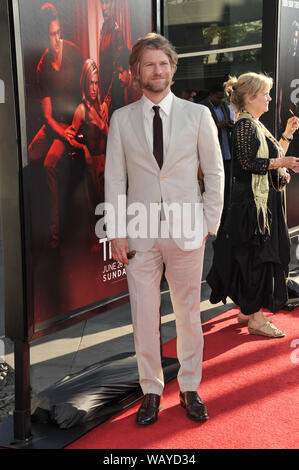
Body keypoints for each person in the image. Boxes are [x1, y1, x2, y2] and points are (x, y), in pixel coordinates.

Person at [105, 33, 224, 425]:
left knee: (189, 313)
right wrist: (116, 231)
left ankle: (190, 386)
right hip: (139, 233)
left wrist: (209, 222)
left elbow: (214, 172)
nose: (157, 71)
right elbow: (114, 179)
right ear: (136, 72)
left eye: (163, 64)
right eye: (148, 64)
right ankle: (151, 390)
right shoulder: (122, 119)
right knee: (143, 314)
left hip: (188, 231)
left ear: (172, 68)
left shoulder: (198, 115)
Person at [207, 72, 299, 337]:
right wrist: (282, 163)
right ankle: (256, 318)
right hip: (251, 207)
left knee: (252, 259)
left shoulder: (254, 124)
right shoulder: (245, 126)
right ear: (249, 98)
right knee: (256, 261)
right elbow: (248, 164)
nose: (270, 98)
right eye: (265, 94)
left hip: (259, 205)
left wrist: (287, 135)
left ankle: (248, 311)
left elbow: (271, 156)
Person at [28, 2, 83, 248]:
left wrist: (75, 127)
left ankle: (55, 232)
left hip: (74, 120)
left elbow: (87, 93)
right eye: (52, 34)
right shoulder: (42, 66)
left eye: (59, 32)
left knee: (50, 162)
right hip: (54, 124)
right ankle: (36, 215)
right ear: (45, 37)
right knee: (29, 154)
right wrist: (62, 133)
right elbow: (48, 116)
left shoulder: (72, 51)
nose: (58, 38)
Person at [66, 59, 108, 237]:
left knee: (109, 204)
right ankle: (95, 241)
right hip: (92, 164)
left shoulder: (103, 107)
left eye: (96, 83)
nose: (94, 88)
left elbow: (111, 135)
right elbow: (70, 136)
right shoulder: (81, 110)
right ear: (85, 83)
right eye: (90, 83)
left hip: (107, 162)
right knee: (94, 205)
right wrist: (84, 150)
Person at [200, 83, 234, 206]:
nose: (220, 100)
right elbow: (202, 129)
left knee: (227, 185)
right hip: (212, 153)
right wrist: (219, 125)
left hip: (226, 150)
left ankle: (226, 209)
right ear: (211, 95)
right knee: (213, 186)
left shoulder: (224, 105)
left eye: (222, 98)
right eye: (218, 98)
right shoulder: (203, 107)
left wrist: (229, 124)